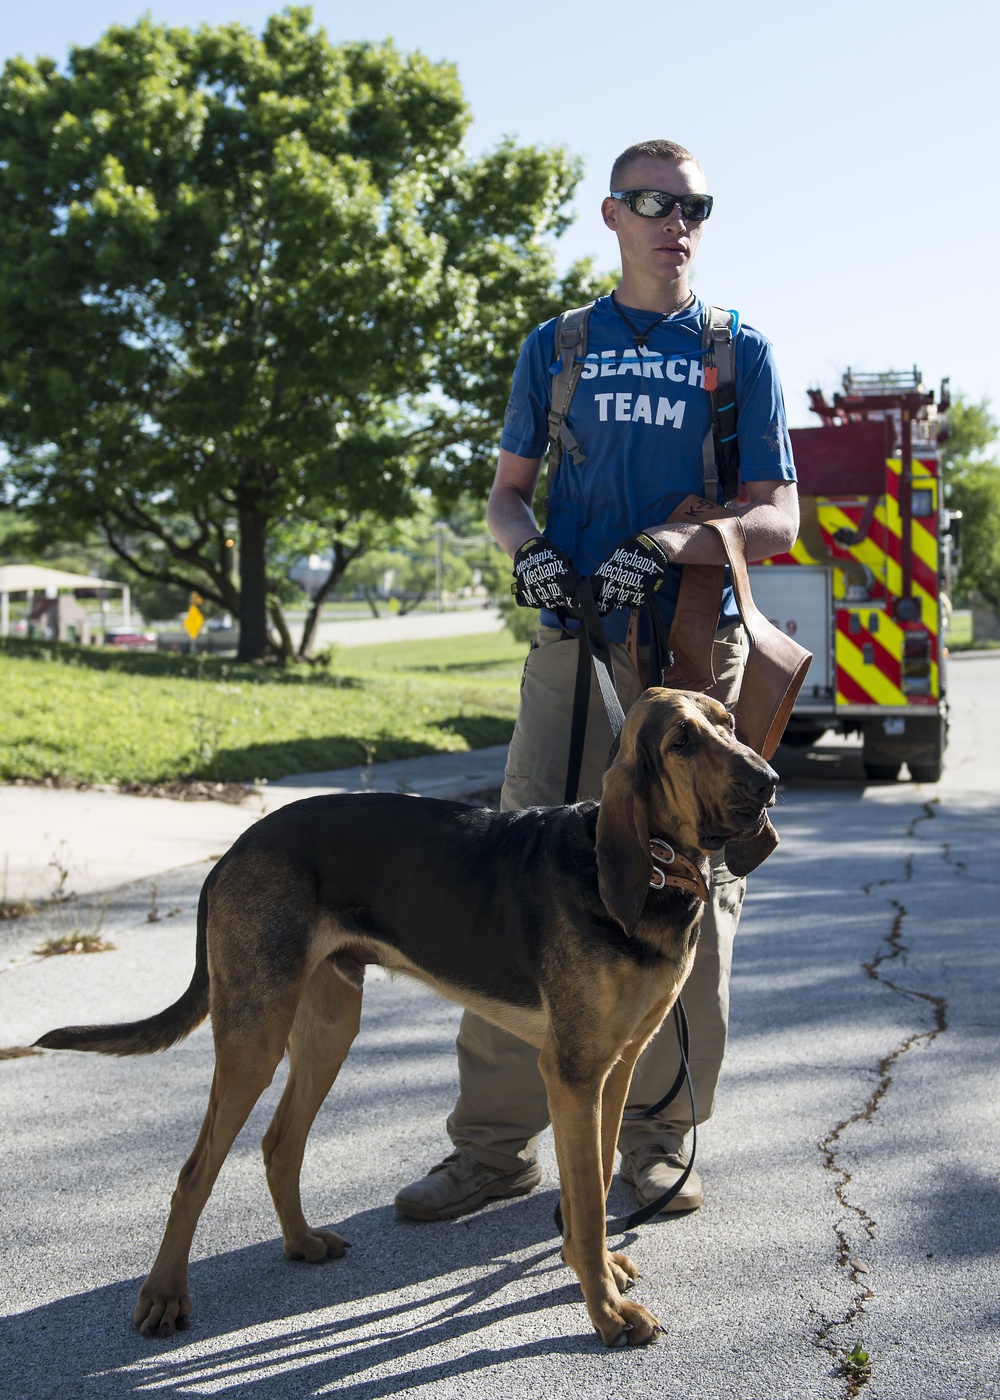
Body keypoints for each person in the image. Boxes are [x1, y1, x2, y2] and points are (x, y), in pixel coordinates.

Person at [395, 138, 799, 1221]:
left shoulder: (733, 350)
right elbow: (506, 496)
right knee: (514, 869)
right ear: (613, 214)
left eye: (696, 205)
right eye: (655, 202)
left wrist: (676, 545)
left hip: (684, 661)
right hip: (570, 645)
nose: (678, 220)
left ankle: (659, 1141)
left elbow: (777, 514)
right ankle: (490, 1147)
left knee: (691, 891)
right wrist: (524, 546)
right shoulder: (557, 345)